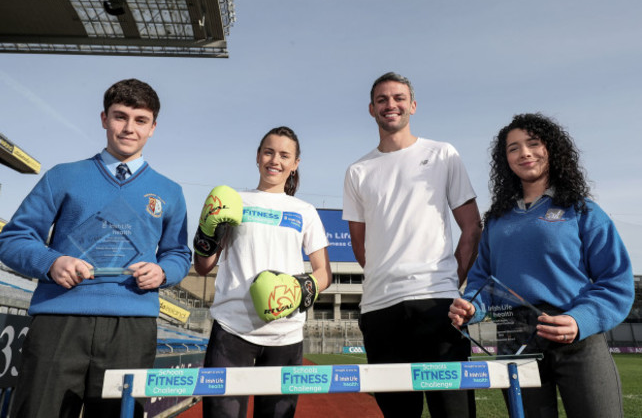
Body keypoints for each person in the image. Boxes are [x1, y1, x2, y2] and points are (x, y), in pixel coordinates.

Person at [0, 78, 192, 418]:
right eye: (120, 116)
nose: (129, 128)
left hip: (131, 328)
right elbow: (12, 239)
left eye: (140, 120)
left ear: (153, 128)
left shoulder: (170, 191)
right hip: (59, 320)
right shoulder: (63, 176)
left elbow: (178, 254)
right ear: (104, 119)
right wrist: (50, 262)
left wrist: (162, 272)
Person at [449, 113, 634, 418]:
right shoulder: (496, 220)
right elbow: (484, 280)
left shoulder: (583, 210)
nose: (524, 153)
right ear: (504, 159)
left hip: (577, 337)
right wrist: (471, 307)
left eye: (533, 143)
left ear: (552, 150)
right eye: (513, 148)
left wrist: (580, 320)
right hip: (517, 343)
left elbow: (616, 281)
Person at [342, 72, 481, 418]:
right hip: (379, 310)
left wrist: (450, 279)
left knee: (454, 413)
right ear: (371, 109)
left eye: (399, 98)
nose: (391, 104)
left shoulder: (442, 154)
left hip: (438, 304)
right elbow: (360, 248)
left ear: (413, 105)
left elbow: (471, 227)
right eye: (383, 99)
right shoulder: (357, 171)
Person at [193, 126, 332, 418]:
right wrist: (208, 230)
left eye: (284, 155)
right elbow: (203, 266)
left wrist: (298, 290)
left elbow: (323, 273)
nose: (275, 160)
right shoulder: (234, 200)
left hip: (286, 335)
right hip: (232, 331)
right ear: (258, 156)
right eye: (269, 152)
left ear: (295, 164)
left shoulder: (305, 211)